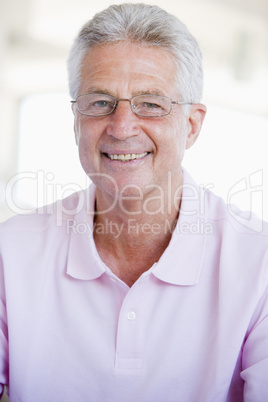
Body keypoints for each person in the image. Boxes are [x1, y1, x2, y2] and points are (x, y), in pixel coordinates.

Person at [0, 3, 268, 401]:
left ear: (191, 126)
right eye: (100, 102)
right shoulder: (11, 249)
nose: (122, 127)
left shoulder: (259, 259)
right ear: (76, 123)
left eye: (151, 104)